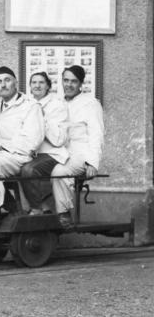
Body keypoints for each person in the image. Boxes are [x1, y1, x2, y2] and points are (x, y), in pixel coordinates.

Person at [0, 66, 44, 233]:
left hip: (19, 156)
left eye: (7, 80)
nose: (3, 85)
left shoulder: (30, 105)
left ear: (16, 83)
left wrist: (0, 146)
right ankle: (10, 208)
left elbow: (33, 140)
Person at [51, 65, 104, 228]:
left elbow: (97, 133)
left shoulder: (90, 103)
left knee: (58, 172)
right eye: (66, 80)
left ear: (81, 84)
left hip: (80, 154)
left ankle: (64, 214)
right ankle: (41, 213)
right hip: (59, 151)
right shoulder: (56, 102)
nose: (69, 84)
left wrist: (93, 163)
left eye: (74, 81)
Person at [20, 72, 69, 215]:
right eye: (34, 82)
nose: (37, 85)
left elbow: (59, 140)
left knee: (28, 170)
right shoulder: (26, 104)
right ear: (30, 86)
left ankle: (37, 208)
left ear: (48, 86)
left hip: (52, 153)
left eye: (41, 82)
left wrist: (40, 117)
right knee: (5, 169)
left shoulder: (57, 105)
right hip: (30, 152)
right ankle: (14, 209)